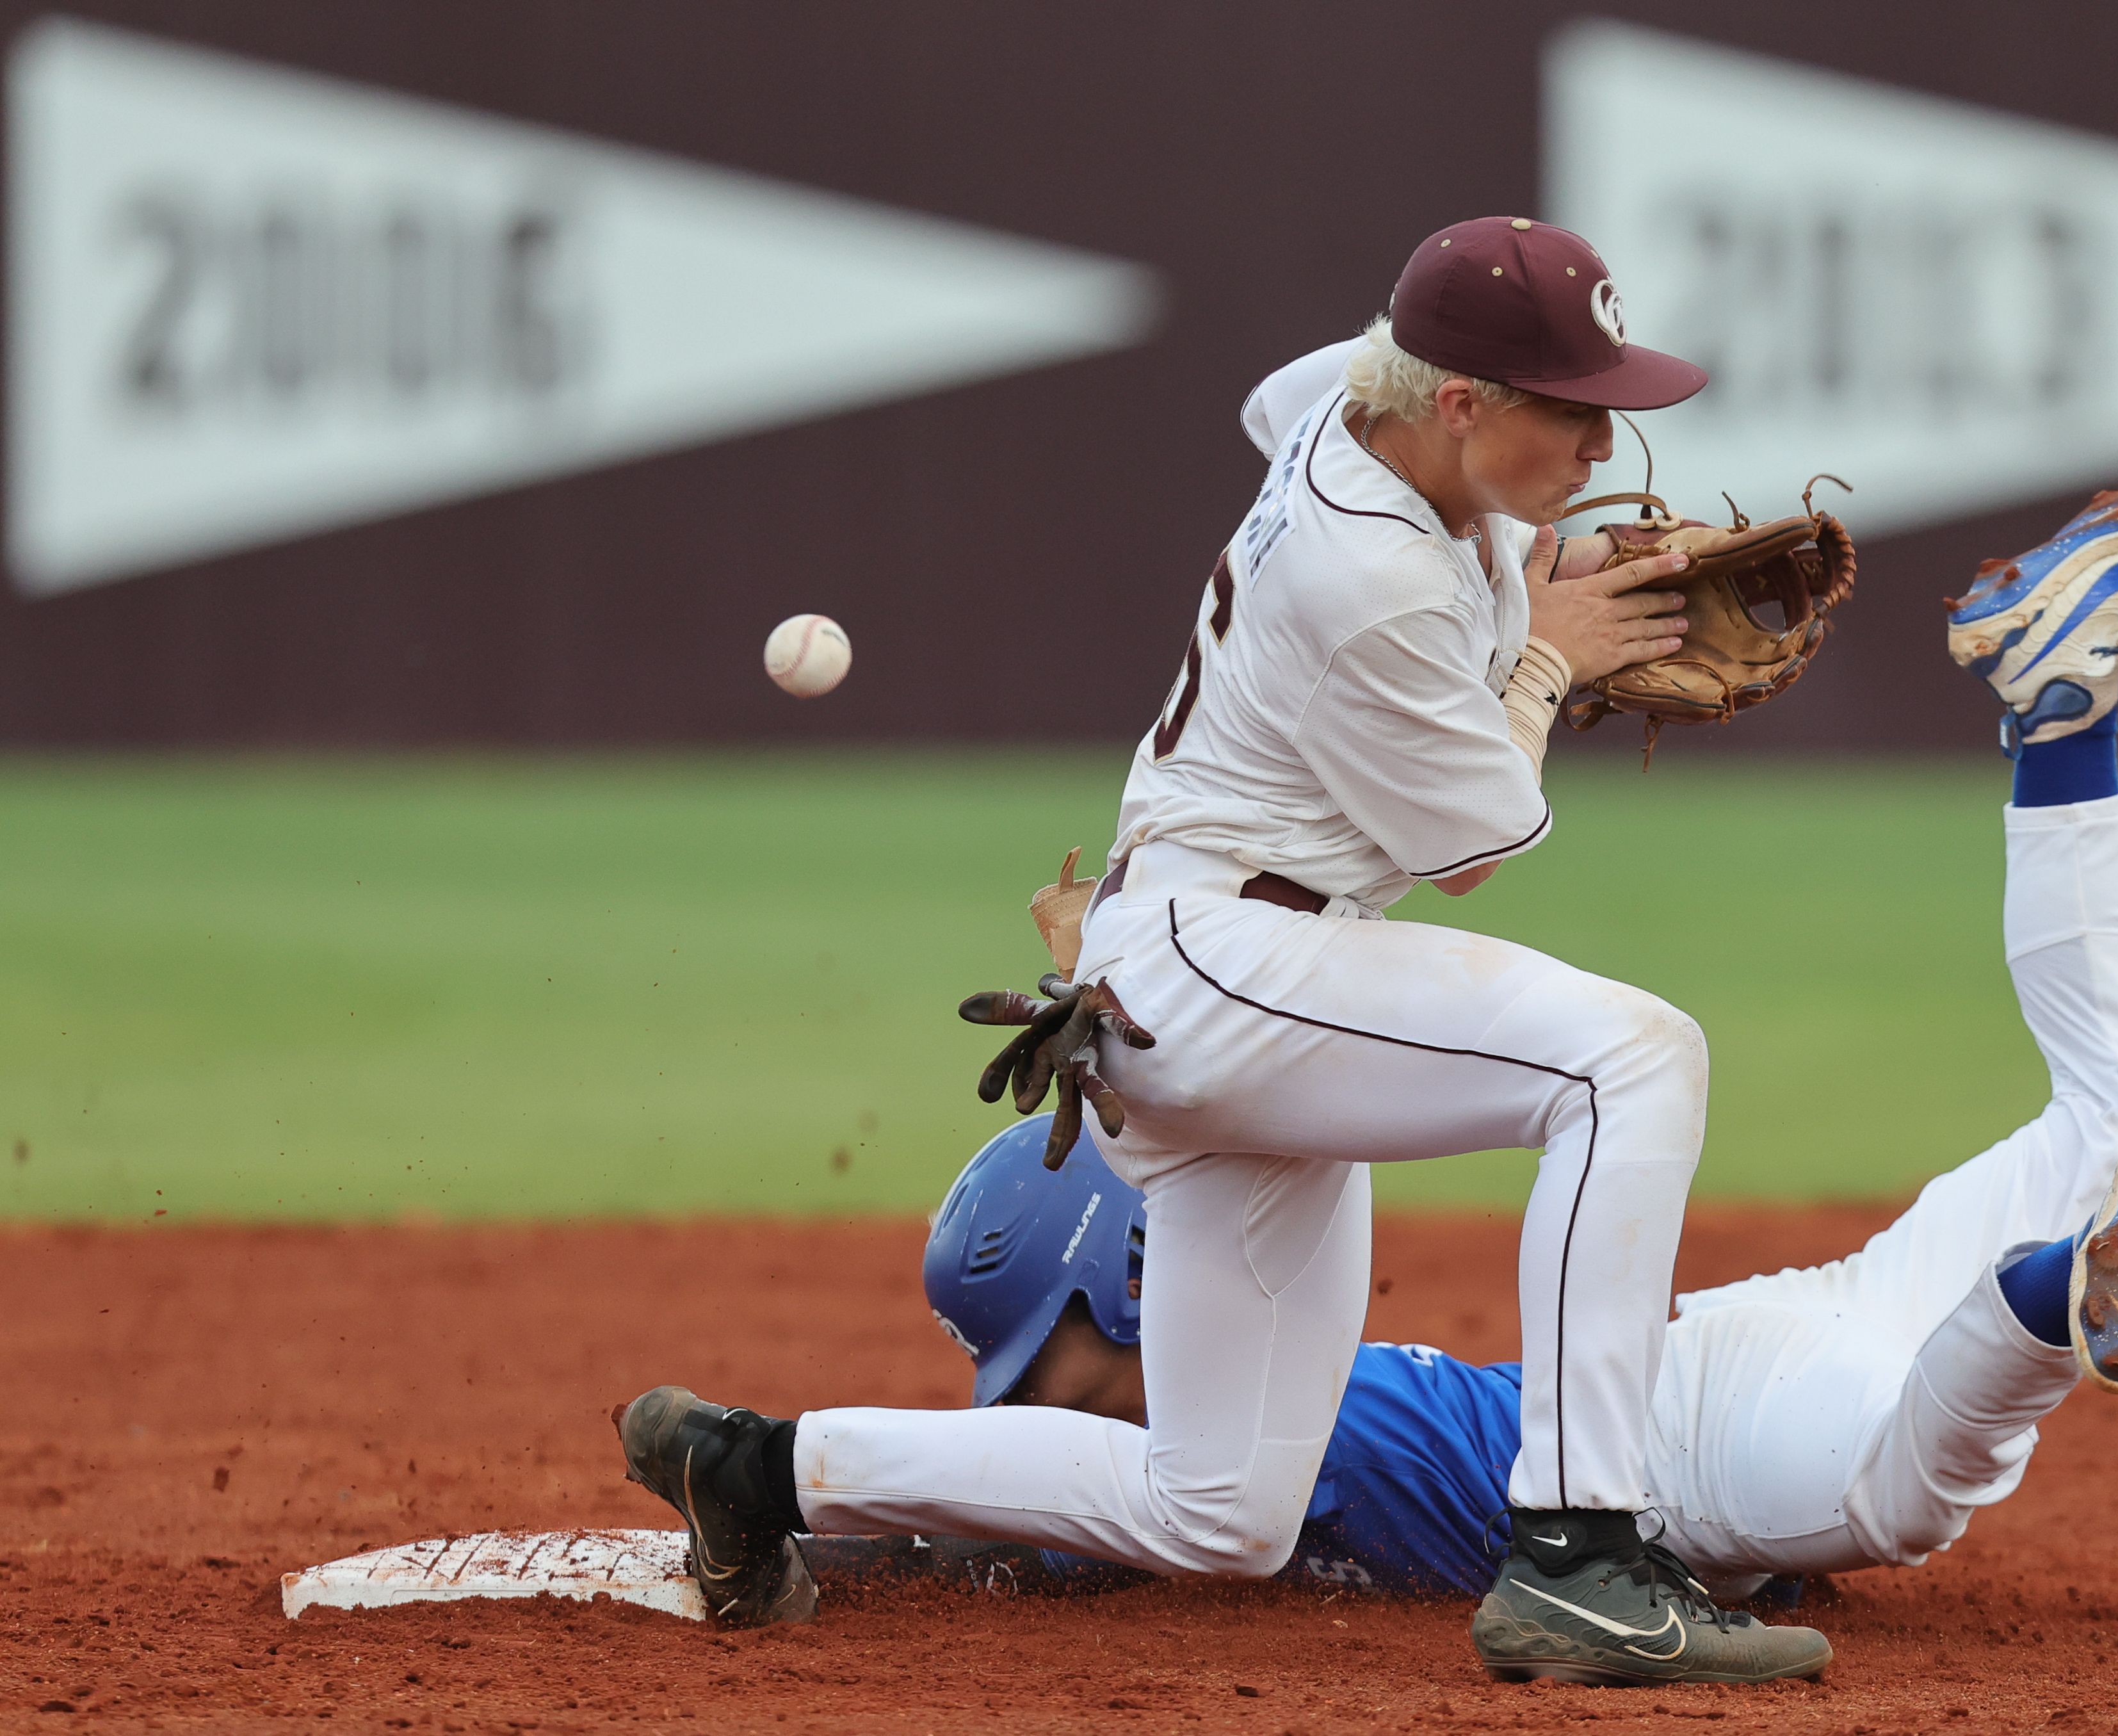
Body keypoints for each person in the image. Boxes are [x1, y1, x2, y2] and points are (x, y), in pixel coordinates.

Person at [615, 216, 1835, 1685]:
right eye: (1571, 410)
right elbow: (1475, 844)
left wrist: (1542, 557)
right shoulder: (1363, 580)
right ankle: (1580, 1553)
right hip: (1233, 971)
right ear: (1460, 402)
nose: (1601, 437)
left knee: (1221, 1511)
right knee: (1629, 1062)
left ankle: (756, 1473)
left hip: (1194, 983)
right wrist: (1548, 652)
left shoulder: (1351, 401)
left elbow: (1280, 406)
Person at [798, 466, 2118, 1627]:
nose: (1025, 1405)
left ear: (1117, 1284)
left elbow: (1033, 1513)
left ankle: (2042, 1303)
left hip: (1714, 1460)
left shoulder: (1231, 1428)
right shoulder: (1259, 1371)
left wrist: (804, 1487)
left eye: (1035, 1366)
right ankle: (2061, 715)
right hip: (1741, 1349)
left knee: (1897, 1499)